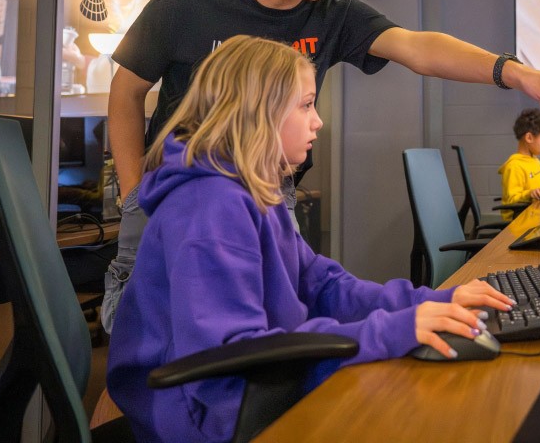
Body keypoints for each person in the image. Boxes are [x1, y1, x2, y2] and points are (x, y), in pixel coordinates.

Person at [101, 0, 540, 332]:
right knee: (152, 339)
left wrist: (517, 73)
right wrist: (133, 197)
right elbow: (127, 93)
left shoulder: (330, 11)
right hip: (178, 201)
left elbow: (417, 47)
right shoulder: (189, 0)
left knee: (262, 322)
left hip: (268, 196)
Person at [106, 36, 515, 442]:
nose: (318, 121)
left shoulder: (253, 190)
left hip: (253, 384)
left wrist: (431, 303)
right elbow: (230, 355)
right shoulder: (209, 206)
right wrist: (390, 331)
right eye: (305, 105)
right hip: (201, 416)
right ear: (256, 113)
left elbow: (323, 284)